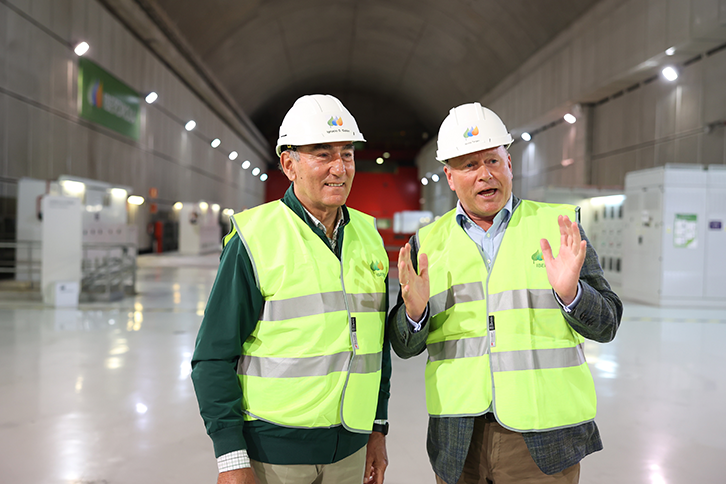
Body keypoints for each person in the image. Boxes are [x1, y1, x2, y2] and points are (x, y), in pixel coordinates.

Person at [389, 102, 622, 484]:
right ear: (449, 176)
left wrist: (573, 295)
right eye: (469, 166)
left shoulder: (559, 227)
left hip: (543, 440)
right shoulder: (427, 243)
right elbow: (403, 345)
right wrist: (413, 316)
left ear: (509, 164)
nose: (485, 175)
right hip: (459, 440)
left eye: (492, 161)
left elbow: (607, 324)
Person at [192, 94, 391, 484]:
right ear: (289, 164)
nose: (339, 168)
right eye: (322, 154)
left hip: (351, 449)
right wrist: (231, 457)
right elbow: (213, 358)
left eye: (347, 154)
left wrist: (377, 429)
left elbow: (375, 349)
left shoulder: (368, 237)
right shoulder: (254, 237)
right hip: (274, 454)